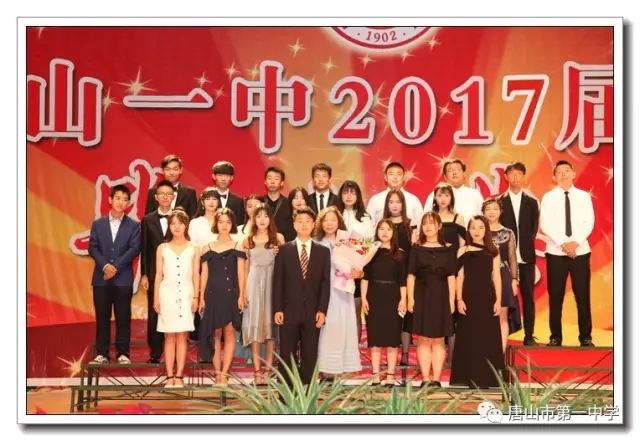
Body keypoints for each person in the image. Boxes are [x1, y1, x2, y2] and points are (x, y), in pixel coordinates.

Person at [273, 207, 331, 386]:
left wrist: (322, 310)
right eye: (300, 221)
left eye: (307, 221)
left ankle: (308, 390)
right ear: (294, 225)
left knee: (310, 352)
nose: (304, 225)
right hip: (289, 310)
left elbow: (325, 284)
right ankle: (287, 392)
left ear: (314, 224)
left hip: (313, 311)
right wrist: (278, 309)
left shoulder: (323, 251)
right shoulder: (283, 250)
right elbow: (278, 282)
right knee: (287, 352)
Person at [540, 160, 595, 347]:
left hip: (580, 252)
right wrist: (563, 243)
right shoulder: (548, 197)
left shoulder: (583, 196)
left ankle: (585, 337)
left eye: (566, 170)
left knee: (582, 296)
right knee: (556, 296)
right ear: (554, 177)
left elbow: (589, 222)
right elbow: (545, 224)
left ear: (573, 173)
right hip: (556, 252)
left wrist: (575, 243)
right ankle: (555, 337)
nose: (563, 174)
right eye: (559, 172)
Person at [88, 184, 141, 364]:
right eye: (117, 198)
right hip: (101, 279)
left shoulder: (134, 226)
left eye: (125, 200)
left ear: (128, 203)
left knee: (123, 318)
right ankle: (102, 353)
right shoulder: (98, 224)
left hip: (123, 280)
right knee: (102, 317)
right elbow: (93, 247)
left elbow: (134, 249)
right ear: (110, 200)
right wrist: (105, 266)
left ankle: (123, 353)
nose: (120, 202)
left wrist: (114, 267)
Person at [450, 216, 504, 388]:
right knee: (469, 337)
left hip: (487, 297)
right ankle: (467, 378)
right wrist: (459, 299)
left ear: (486, 230)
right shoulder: (463, 250)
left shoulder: (493, 251)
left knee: (487, 337)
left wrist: (498, 300)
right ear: (468, 230)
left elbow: (496, 277)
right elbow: (459, 276)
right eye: (473, 227)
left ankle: (488, 379)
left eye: (480, 227)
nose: (477, 231)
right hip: (468, 297)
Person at [198, 209, 247, 385]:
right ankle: (217, 373)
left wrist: (242, 295)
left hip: (231, 294)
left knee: (230, 332)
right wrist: (201, 297)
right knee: (215, 334)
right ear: (216, 224)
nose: (224, 225)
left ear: (232, 224)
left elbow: (241, 273)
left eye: (228, 222)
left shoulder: (238, 245)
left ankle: (225, 374)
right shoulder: (207, 246)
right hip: (212, 295)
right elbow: (204, 274)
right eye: (220, 222)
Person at [407, 213, 456, 388]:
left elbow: (452, 276)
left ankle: (436, 378)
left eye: (432, 223)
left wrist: (452, 300)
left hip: (441, 296)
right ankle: (425, 378)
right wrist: (410, 298)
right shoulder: (416, 248)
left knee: (438, 339)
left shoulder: (448, 248)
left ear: (439, 226)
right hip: (421, 295)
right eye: (425, 223)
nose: (428, 227)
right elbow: (411, 275)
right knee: (423, 339)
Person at [153, 209, 199, 388]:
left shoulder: (193, 248)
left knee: (182, 336)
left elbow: (196, 274)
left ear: (186, 225)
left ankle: (179, 376)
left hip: (186, 295)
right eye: (173, 224)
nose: (177, 227)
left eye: (180, 223)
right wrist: (156, 298)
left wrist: (196, 297)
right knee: (169, 337)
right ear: (169, 226)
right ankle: (169, 376)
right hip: (167, 295)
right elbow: (158, 275)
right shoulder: (162, 248)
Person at [315, 207, 362, 376]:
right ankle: (323, 368)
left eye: (333, 220)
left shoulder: (348, 241)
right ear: (320, 223)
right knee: (325, 327)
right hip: (322, 290)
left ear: (339, 222)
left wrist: (357, 272)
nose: (329, 223)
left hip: (342, 290)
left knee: (342, 326)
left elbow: (360, 268)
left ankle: (339, 368)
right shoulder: (315, 242)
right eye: (326, 220)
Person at [240, 204, 285, 385]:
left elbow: (284, 264)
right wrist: (243, 292)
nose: (262, 220)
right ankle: (257, 371)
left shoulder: (278, 238)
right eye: (258, 216)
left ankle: (268, 370)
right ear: (253, 219)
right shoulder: (247, 240)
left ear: (270, 219)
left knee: (270, 329)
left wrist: (279, 253)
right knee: (255, 328)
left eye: (266, 216)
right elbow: (244, 267)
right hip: (253, 283)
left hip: (272, 283)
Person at [498, 162, 540, 346]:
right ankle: (502, 335)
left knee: (528, 297)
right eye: (511, 174)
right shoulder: (499, 202)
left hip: (526, 258)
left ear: (524, 176)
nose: (515, 177)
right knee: (503, 298)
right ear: (506, 176)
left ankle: (529, 335)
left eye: (518, 174)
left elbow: (533, 229)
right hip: (505, 261)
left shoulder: (532, 202)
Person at [361, 219, 406, 386]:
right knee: (375, 339)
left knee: (392, 339)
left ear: (393, 233)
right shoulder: (370, 252)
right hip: (374, 297)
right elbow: (365, 277)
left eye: (388, 229)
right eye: (381, 229)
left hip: (394, 297)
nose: (385, 232)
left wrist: (403, 299)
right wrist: (364, 298)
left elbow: (403, 280)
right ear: (376, 231)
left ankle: (390, 376)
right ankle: (375, 375)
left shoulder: (400, 254)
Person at [141, 180, 176, 363]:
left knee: (175, 310)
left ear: (173, 196)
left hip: (176, 272)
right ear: (156, 197)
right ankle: (155, 353)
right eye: (161, 193)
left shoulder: (180, 218)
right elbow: (144, 248)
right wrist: (144, 274)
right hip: (155, 273)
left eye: (168, 194)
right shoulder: (148, 219)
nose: (165, 197)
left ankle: (175, 354)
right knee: (155, 311)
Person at [335, 180, 374, 343]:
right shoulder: (335, 215)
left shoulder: (365, 218)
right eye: (345, 192)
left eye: (352, 192)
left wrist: (358, 267)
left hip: (357, 272)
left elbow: (369, 245)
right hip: (337, 271)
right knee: (338, 313)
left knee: (355, 313)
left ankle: (354, 351)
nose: (349, 196)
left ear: (358, 195)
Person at [483, 198, 522, 352]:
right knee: (484, 316)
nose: (491, 212)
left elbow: (512, 257)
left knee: (502, 316)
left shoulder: (508, 233)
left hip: (504, 276)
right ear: (483, 212)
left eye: (495, 209)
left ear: (500, 212)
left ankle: (500, 353)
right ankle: (485, 352)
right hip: (483, 276)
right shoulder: (478, 231)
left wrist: (514, 280)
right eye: (488, 209)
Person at [383, 189, 416, 365]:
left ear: (403, 204)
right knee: (390, 315)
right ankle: (390, 354)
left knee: (405, 316)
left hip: (406, 274)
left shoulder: (410, 225)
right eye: (391, 202)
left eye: (398, 202)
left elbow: (414, 251)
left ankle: (405, 353)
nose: (395, 205)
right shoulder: (382, 225)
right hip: (387, 277)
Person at [423, 158, 483, 225]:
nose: (454, 173)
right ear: (445, 177)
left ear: (464, 174)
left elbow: (483, 218)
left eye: (458, 169)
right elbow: (426, 218)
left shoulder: (475, 194)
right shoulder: (435, 194)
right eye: (450, 170)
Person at [366, 161, 423, 227]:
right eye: (391, 174)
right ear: (385, 177)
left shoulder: (413, 200)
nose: (395, 177)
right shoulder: (375, 200)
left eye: (399, 174)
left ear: (404, 177)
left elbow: (420, 225)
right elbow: (368, 226)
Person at [430, 183, 467, 255]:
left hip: (453, 256)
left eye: (446, 196)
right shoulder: (430, 217)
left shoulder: (458, 217)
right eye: (439, 195)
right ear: (435, 198)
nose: (443, 199)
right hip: (434, 255)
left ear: (451, 198)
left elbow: (462, 242)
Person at [264, 166, 295, 241]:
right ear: (265, 182)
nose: (272, 181)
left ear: (282, 183)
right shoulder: (260, 202)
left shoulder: (289, 203)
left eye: (276, 179)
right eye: (269, 178)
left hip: (285, 244)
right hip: (263, 243)